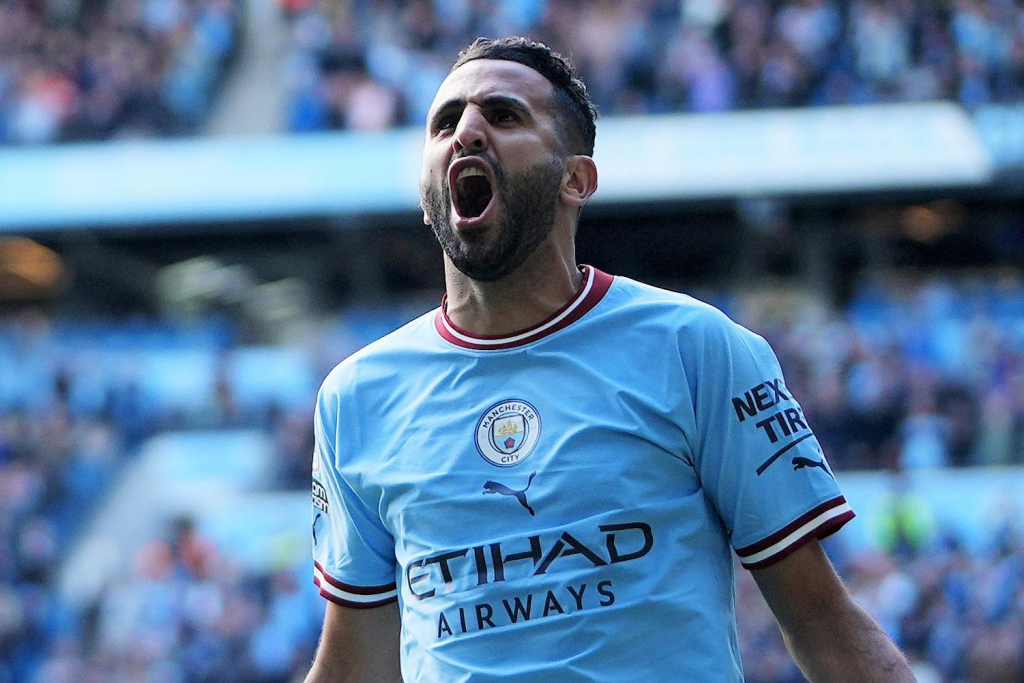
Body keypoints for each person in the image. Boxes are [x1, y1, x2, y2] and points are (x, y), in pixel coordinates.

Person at [304, 36, 917, 683]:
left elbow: (823, 620)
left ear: (577, 179)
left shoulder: (696, 349)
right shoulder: (356, 399)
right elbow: (352, 666)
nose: (468, 133)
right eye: (445, 123)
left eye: (504, 115)